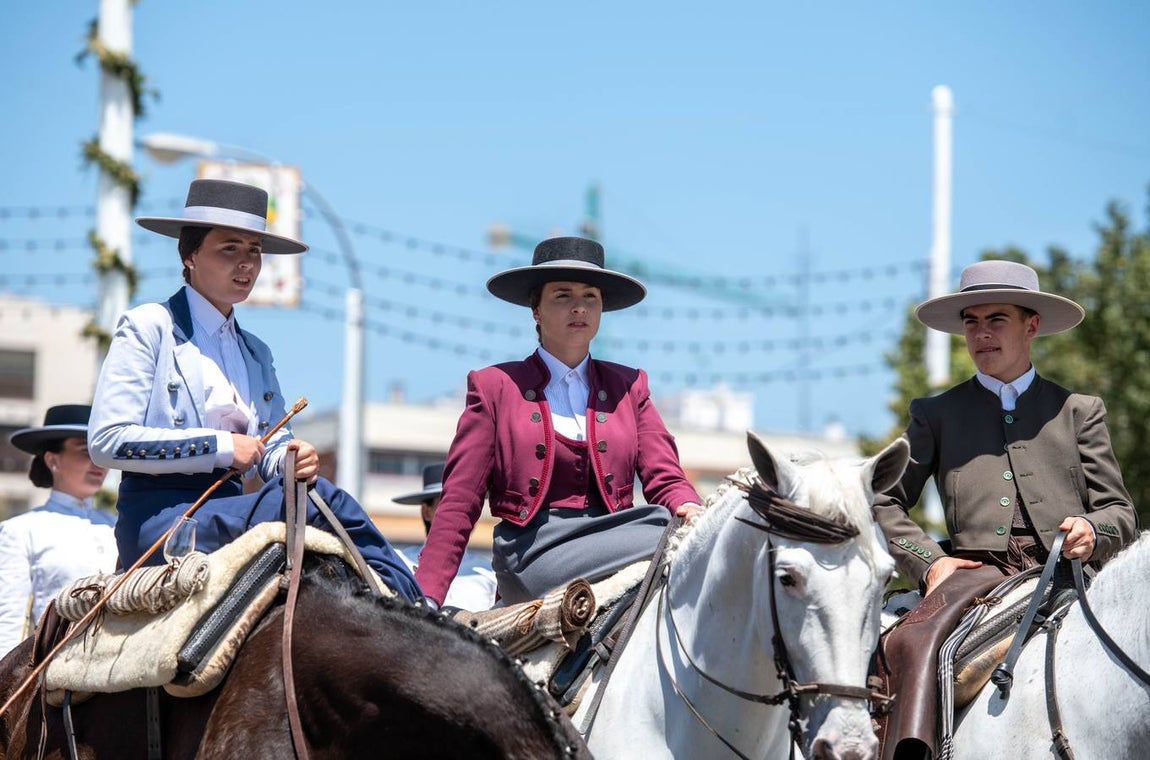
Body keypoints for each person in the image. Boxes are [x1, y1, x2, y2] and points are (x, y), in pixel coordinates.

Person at [87, 178, 419, 602]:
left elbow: (269, 442)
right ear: (189, 255)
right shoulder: (149, 327)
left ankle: (407, 600)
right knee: (311, 506)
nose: (246, 263)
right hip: (163, 522)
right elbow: (106, 442)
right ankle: (407, 601)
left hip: (233, 510)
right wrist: (223, 446)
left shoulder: (256, 352)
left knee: (316, 494)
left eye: (255, 251)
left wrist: (292, 459)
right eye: (230, 248)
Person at [872, 259, 1139, 760]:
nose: (981, 334)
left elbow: (1120, 511)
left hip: (1070, 576)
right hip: (974, 579)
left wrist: (1091, 528)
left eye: (996, 319)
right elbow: (882, 497)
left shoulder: (1079, 410)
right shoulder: (936, 414)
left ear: (1030, 325)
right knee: (913, 646)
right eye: (971, 321)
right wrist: (930, 562)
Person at [413, 236, 702, 609]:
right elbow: (460, 501)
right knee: (664, 531)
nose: (579, 307)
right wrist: (425, 598)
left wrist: (691, 510)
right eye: (563, 296)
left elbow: (666, 477)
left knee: (680, 525)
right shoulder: (495, 387)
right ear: (536, 310)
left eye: (590, 297)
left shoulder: (630, 386)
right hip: (534, 551)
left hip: (617, 539)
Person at [0, 405, 114, 654]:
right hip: (54, 673)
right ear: (53, 460)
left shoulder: (119, 526)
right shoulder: (20, 530)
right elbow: (10, 621)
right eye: (86, 451)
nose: (98, 462)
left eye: (100, 451)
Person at [394, 462, 497, 610]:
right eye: (448, 506)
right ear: (426, 511)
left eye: (470, 506)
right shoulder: (399, 564)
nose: (462, 513)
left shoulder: (491, 573)